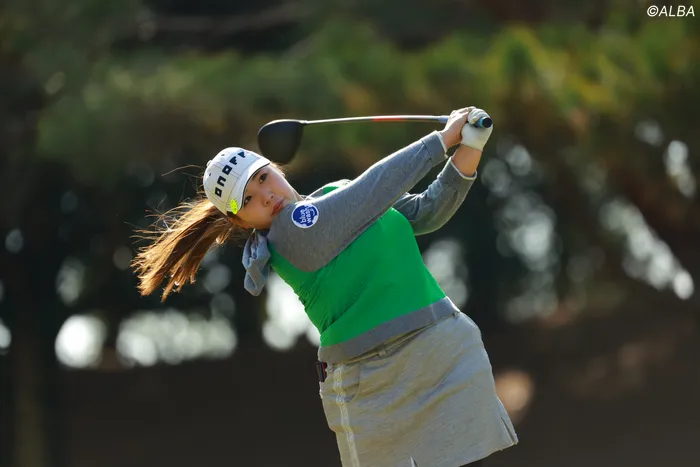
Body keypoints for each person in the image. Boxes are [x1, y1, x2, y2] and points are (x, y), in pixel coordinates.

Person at [132, 106, 518, 467]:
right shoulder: (288, 235)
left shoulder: (338, 193)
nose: (266, 196)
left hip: (442, 350)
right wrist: (441, 140)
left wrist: (471, 144)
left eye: (263, 178)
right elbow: (372, 191)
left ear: (275, 167)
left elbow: (426, 211)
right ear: (239, 222)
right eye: (248, 200)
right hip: (373, 379)